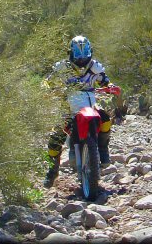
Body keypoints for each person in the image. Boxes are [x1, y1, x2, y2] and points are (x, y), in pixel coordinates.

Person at [42, 35, 114, 188]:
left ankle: (103, 148)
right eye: (78, 54)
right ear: (71, 53)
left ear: (90, 52)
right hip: (69, 106)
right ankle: (52, 170)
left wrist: (111, 87)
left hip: (90, 104)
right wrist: (48, 88)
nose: (81, 59)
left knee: (106, 119)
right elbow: (48, 81)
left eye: (84, 54)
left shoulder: (95, 67)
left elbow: (106, 81)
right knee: (55, 137)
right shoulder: (62, 68)